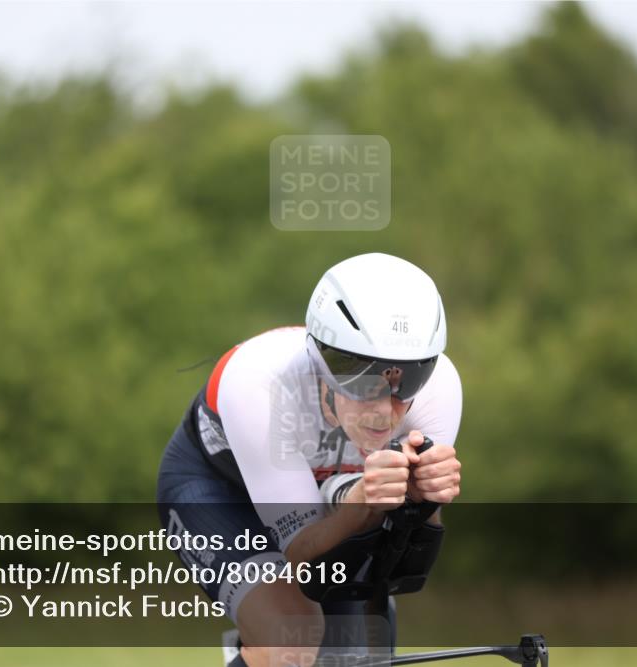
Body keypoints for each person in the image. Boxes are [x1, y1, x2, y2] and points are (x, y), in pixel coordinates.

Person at [157, 253, 463, 667]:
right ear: (323, 364)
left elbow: (406, 562)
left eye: (409, 379)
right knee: (291, 639)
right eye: (362, 380)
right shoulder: (259, 383)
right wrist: (364, 503)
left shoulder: (440, 389)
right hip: (220, 490)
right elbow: (301, 555)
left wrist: (424, 501)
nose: (383, 409)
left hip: (330, 498)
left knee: (353, 655)